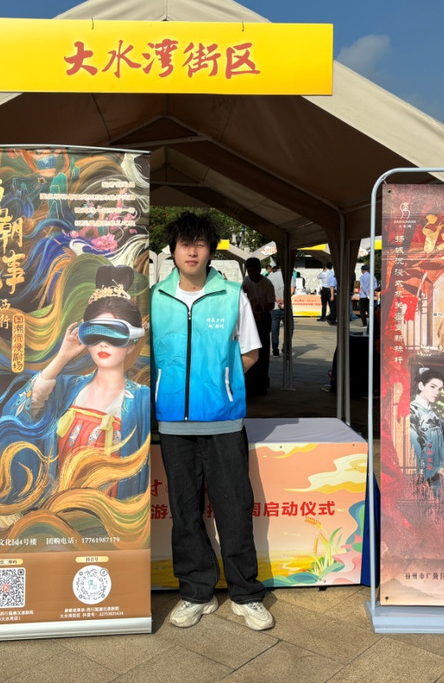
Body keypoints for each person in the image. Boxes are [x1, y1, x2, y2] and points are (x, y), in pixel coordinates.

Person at [151, 211, 272, 631]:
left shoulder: (231, 294)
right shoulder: (155, 298)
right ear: (173, 251)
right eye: (185, 244)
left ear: (210, 251)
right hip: (173, 423)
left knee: (234, 509)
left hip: (223, 422)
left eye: (200, 244)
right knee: (185, 512)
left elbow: (250, 352)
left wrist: (221, 386)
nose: (192, 251)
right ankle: (196, 593)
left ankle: (246, 595)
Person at [11, 264, 150, 500]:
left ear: (131, 344)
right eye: (94, 333)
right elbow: (23, 413)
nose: (103, 343)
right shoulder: (69, 388)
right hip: (59, 510)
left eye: (115, 334)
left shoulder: (141, 400)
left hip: (113, 513)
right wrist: (62, 357)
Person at [409, 367, 444, 497]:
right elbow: (413, 448)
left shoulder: (437, 417)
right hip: (423, 476)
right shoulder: (411, 412)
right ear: (421, 385)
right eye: (433, 387)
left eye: (439, 389)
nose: (437, 392)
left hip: (441, 475)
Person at [242, 257, 274, 395]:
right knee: (249, 349)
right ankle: (249, 381)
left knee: (263, 350)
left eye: (253, 271)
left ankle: (262, 382)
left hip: (262, 318)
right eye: (249, 271)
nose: (251, 274)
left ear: (259, 270)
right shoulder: (246, 281)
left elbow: (271, 303)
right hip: (250, 318)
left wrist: (260, 307)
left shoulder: (267, 283)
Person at [268, 260, 294, 358]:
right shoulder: (289, 276)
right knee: (289, 328)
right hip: (287, 306)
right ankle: (286, 347)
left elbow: (268, 291)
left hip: (274, 307)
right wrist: (284, 299)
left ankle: (275, 350)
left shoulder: (270, 277)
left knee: (274, 330)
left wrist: (277, 299)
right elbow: (292, 290)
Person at [358, 263, 377, 327]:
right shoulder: (373, 277)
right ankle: (371, 323)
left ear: (362, 270)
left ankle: (364, 323)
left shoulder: (362, 277)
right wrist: (370, 290)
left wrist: (366, 292)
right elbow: (375, 285)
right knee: (370, 310)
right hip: (370, 296)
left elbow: (362, 286)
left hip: (363, 295)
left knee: (362, 310)